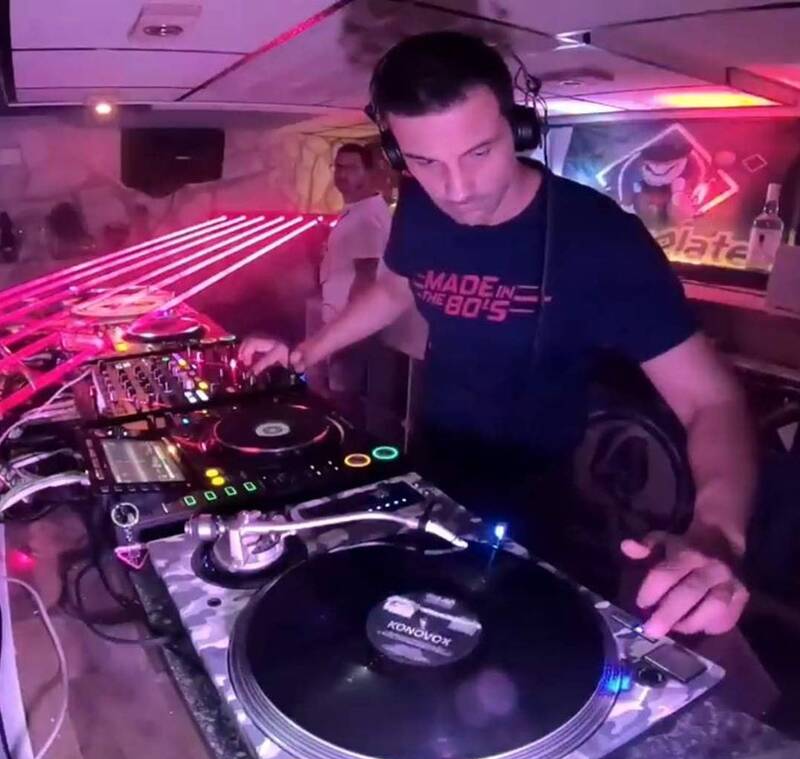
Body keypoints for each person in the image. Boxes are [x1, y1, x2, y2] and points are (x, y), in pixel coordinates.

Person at [239, 31, 757, 640]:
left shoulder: (601, 240)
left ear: (519, 128)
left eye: (479, 152)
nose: (457, 190)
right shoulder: (421, 207)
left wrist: (718, 532)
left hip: (542, 498)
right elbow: (396, 289)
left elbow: (711, 400)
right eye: (426, 162)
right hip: (432, 470)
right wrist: (306, 351)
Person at [314, 143, 391, 423]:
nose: (342, 174)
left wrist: (344, 329)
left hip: (350, 326)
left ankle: (350, 444)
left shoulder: (366, 217)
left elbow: (367, 275)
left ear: (368, 172)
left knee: (345, 400)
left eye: (352, 167)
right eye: (339, 166)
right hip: (346, 323)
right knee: (346, 397)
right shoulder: (358, 211)